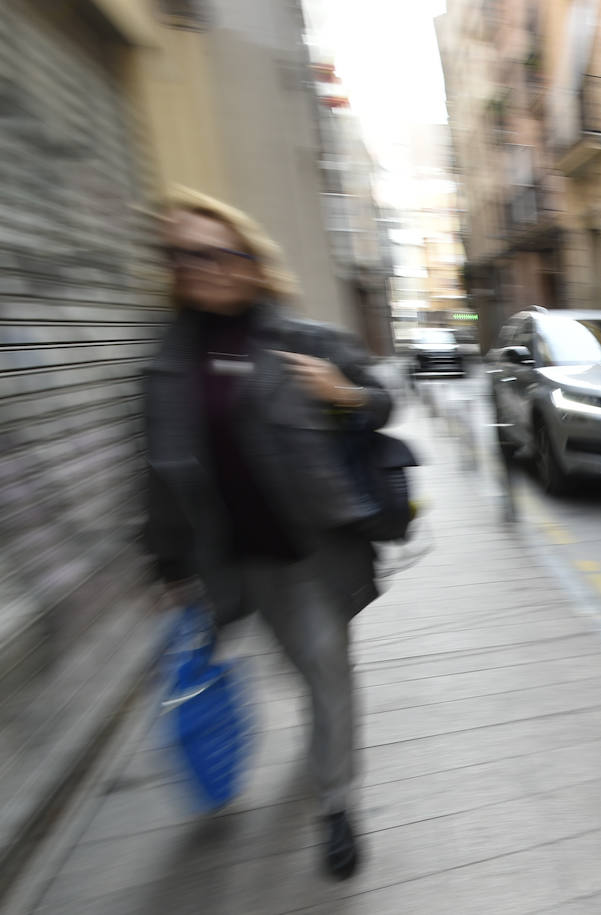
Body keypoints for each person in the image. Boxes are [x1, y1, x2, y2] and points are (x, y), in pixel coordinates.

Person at [142, 188, 390, 879]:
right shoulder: (166, 364)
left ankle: (337, 803)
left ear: (252, 264)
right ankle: (321, 753)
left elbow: (380, 398)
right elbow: (156, 471)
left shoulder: (303, 340)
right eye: (181, 254)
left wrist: (345, 395)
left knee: (327, 675)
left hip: (307, 554)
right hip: (222, 560)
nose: (199, 265)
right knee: (297, 670)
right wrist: (163, 564)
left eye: (215, 252)